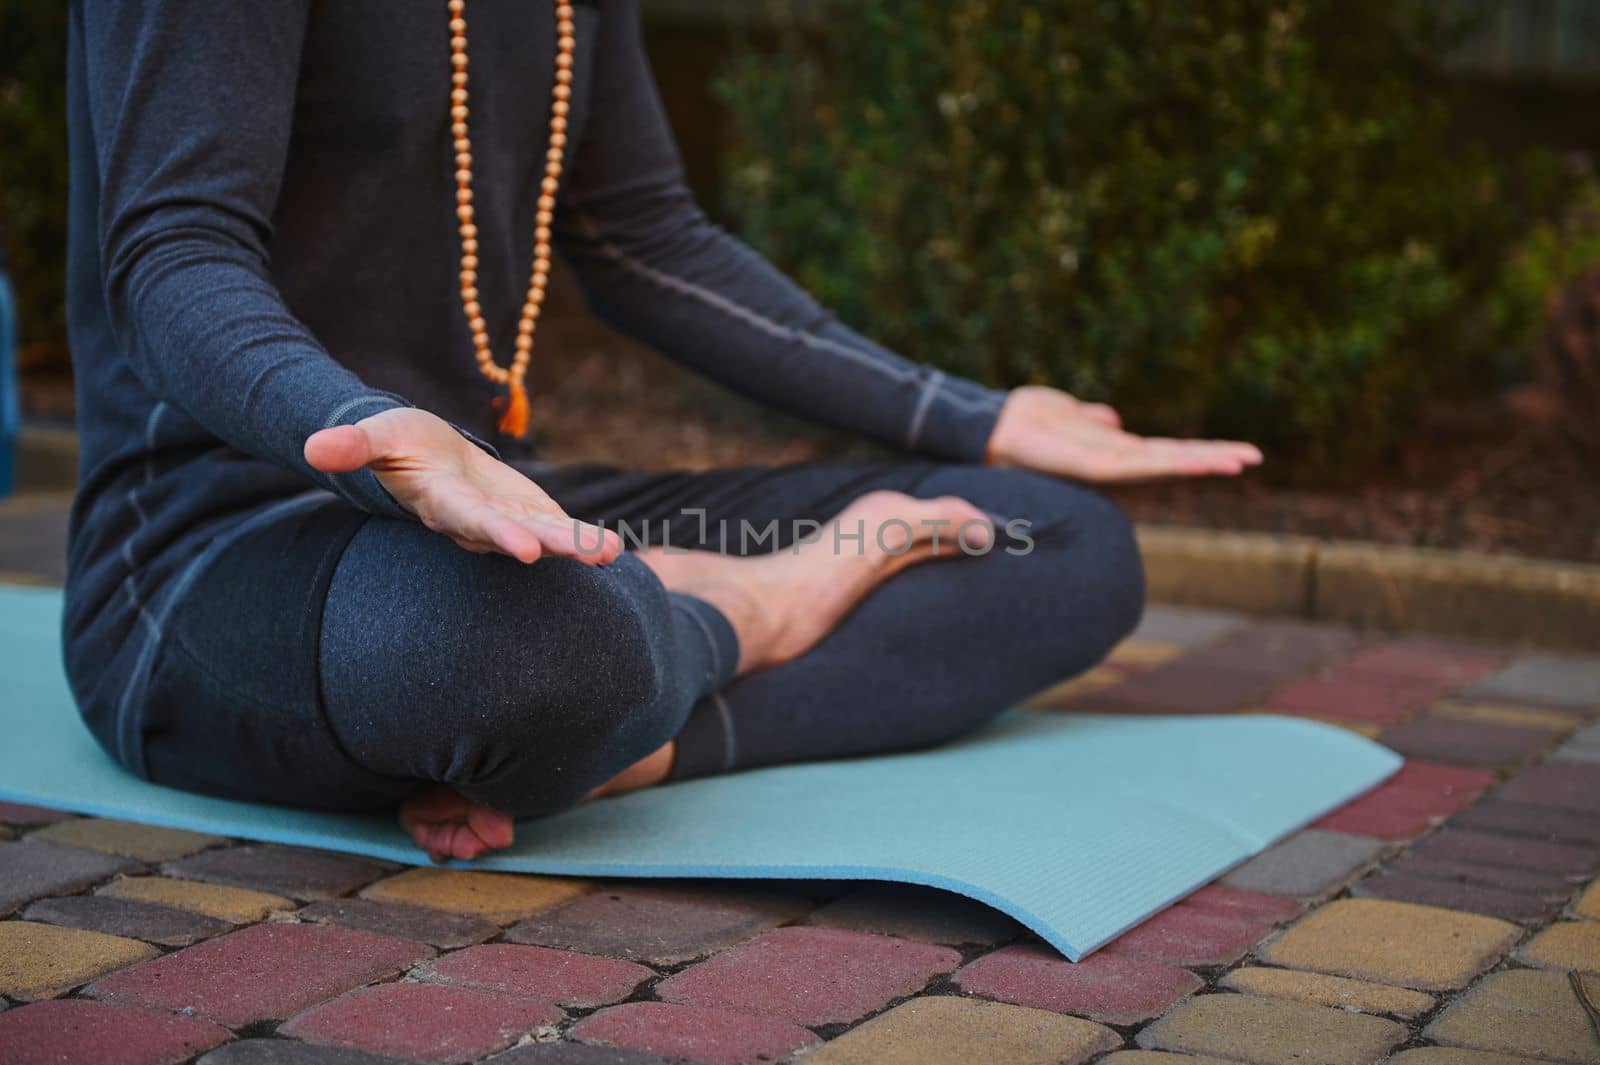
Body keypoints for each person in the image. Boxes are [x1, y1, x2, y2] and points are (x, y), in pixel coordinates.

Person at [62, 0, 1261, 863]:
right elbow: (174, 251)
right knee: (518, 650)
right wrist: (366, 426)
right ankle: (740, 613)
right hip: (217, 545)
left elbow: (644, 239)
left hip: (500, 516)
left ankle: (635, 732)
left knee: (1046, 540)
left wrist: (977, 416)